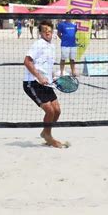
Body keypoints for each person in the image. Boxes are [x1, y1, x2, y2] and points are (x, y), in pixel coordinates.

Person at [23, 20, 67, 148]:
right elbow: (27, 61)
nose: (47, 32)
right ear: (40, 33)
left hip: (46, 83)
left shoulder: (52, 46)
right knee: (50, 111)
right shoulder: (38, 44)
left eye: (49, 30)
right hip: (32, 83)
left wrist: (53, 76)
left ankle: (45, 133)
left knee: (57, 111)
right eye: (44, 31)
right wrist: (39, 76)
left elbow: (44, 65)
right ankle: (48, 136)